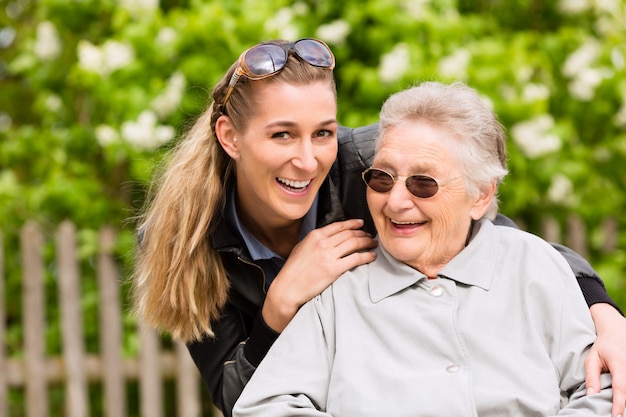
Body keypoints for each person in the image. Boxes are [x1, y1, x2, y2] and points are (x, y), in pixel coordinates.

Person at [131, 39, 626, 417]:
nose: (307, 160)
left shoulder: (372, 161)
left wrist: (603, 313)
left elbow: (493, 238)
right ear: (230, 137)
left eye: (323, 132)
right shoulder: (181, 238)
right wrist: (280, 306)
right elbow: (240, 398)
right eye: (282, 134)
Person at [232, 81, 614, 417]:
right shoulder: (336, 289)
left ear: (480, 195)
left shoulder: (535, 267)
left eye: (423, 183)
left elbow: (602, 393)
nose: (395, 202)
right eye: (382, 178)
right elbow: (265, 406)